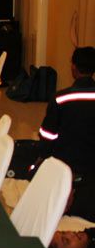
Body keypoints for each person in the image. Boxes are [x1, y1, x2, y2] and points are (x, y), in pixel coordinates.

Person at [38, 46, 95, 177]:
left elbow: (48, 135)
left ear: (74, 67)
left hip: (66, 162)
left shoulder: (60, 98)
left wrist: (42, 157)